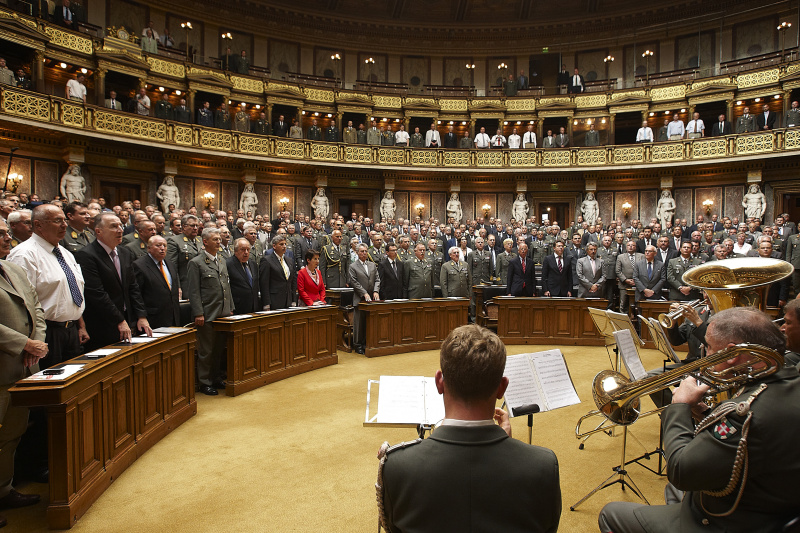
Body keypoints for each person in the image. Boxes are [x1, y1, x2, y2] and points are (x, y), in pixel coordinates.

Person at [598, 307, 800, 533]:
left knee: (611, 512)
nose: (705, 354)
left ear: (733, 354)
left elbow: (679, 470)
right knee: (672, 492)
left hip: (730, 521)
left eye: (710, 347)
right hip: (770, 500)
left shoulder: (744, 413)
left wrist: (679, 407)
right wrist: (706, 414)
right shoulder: (790, 380)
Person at [378, 324, 561, 533]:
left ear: (439, 382)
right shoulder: (543, 466)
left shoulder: (397, 465)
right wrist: (506, 445)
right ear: (502, 388)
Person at [0, 220, 47, 527]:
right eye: (1, 233)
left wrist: (37, 342)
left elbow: (37, 308)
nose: (8, 236)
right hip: (4, 364)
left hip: (25, 366)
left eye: (7, 231)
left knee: (11, 434)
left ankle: (4, 490)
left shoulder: (12, 268)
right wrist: (22, 343)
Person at [8, 204, 88, 367]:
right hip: (46, 333)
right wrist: (33, 340)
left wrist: (80, 325)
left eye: (64, 220)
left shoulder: (65, 253)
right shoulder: (24, 254)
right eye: (57, 221)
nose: (64, 225)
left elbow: (73, 291)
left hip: (71, 331)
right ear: (38, 225)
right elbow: (22, 303)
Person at [76, 213, 151, 351]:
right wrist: (119, 320)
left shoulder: (125, 253)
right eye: (113, 226)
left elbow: (133, 287)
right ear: (98, 231)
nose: (120, 230)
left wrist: (141, 315)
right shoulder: (86, 255)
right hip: (102, 323)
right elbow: (97, 293)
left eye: (120, 226)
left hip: (126, 320)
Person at [186, 227, 233, 396]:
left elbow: (226, 287)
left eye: (219, 239)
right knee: (206, 350)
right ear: (205, 242)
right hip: (207, 313)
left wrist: (230, 308)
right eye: (215, 239)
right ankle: (204, 382)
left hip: (223, 313)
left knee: (219, 348)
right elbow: (194, 291)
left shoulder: (221, 260)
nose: (219, 242)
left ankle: (216, 377)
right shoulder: (196, 263)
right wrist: (198, 313)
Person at [132, 235, 181, 328]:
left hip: (173, 316)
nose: (162, 248)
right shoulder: (139, 265)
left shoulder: (170, 264)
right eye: (158, 245)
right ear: (149, 248)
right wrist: (141, 316)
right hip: (153, 318)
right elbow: (136, 294)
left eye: (164, 246)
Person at [348, 243, 380, 354]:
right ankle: (358, 345)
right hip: (360, 299)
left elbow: (377, 279)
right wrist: (364, 293)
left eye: (366, 251)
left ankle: (367, 342)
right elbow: (354, 282)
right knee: (359, 323)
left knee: (369, 323)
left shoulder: (372, 265)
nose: (364, 253)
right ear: (357, 252)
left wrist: (376, 291)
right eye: (362, 251)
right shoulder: (353, 266)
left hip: (372, 300)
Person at [259, 235, 297, 310]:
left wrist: (293, 300)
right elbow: (264, 283)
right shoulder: (267, 260)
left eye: (285, 244)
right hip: (274, 300)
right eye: (281, 244)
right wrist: (266, 303)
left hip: (288, 300)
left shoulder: (289, 260)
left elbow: (292, 281)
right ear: (274, 246)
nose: (284, 246)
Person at [225, 238, 259, 314]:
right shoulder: (228, 264)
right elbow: (227, 288)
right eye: (243, 250)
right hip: (238, 307)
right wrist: (230, 307)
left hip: (254, 306)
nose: (246, 252)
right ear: (235, 251)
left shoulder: (252, 264)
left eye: (248, 249)